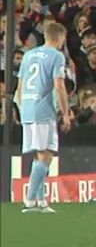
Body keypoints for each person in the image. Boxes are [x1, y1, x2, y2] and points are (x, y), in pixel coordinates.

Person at [14, 22, 71, 212]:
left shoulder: (29, 55)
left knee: (40, 154)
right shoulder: (56, 56)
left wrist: (23, 110)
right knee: (46, 155)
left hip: (27, 109)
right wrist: (66, 113)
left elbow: (20, 87)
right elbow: (59, 86)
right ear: (59, 37)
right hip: (43, 110)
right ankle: (29, 201)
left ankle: (41, 201)